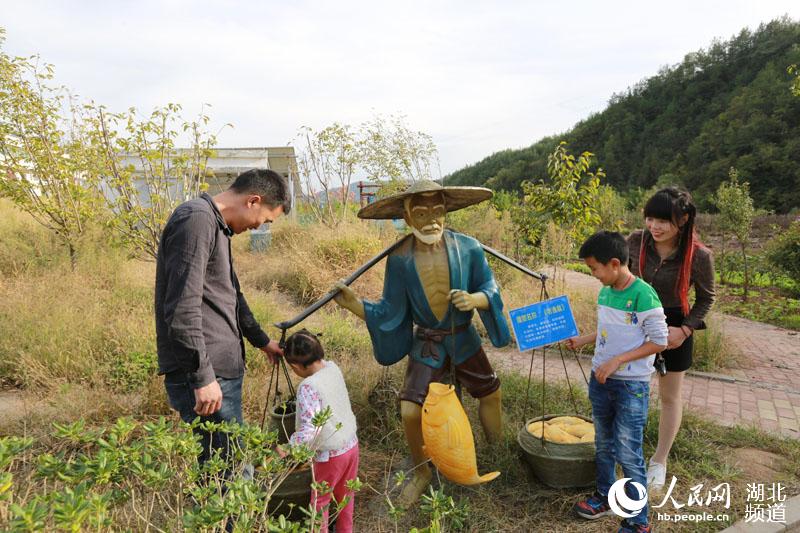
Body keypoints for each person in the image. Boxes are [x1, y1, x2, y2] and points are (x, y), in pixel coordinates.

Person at [334, 180, 510, 505]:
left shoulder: (469, 247)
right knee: (410, 411)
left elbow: (490, 285)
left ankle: (496, 453)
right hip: (427, 341)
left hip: (464, 337)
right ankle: (421, 470)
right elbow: (391, 310)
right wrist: (355, 304)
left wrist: (477, 299)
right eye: (421, 211)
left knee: (491, 393)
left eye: (437, 210)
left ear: (447, 210)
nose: (431, 219)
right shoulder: (400, 259)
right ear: (406, 215)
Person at [155, 168, 290, 468]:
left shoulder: (218, 227)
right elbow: (181, 308)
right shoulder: (196, 220)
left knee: (228, 463)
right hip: (207, 374)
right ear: (253, 201)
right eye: (265, 220)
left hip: (218, 371)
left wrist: (261, 341)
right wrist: (202, 377)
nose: (258, 228)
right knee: (224, 474)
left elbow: (229, 293)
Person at [566, 231, 668, 533]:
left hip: (630, 387)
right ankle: (605, 495)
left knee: (628, 451)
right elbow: (607, 330)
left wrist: (618, 360)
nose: (594, 275)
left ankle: (638, 520)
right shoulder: (605, 292)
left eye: (595, 269)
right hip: (602, 381)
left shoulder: (643, 295)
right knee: (604, 444)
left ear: (614, 263)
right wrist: (584, 340)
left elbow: (660, 342)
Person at [627, 187, 715, 490]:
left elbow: (706, 299)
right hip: (635, 320)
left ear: (684, 218)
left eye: (663, 220)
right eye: (651, 218)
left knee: (669, 397)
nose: (655, 226)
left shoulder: (699, 256)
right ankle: (624, 449)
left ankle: (659, 461)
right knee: (627, 387)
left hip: (675, 324)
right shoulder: (636, 242)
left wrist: (685, 329)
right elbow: (619, 277)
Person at [283, 329, 359, 533]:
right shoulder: (333, 368)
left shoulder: (309, 387)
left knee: (320, 501)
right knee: (346, 495)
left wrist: (290, 448)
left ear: (296, 366)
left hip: (330, 455)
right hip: (351, 445)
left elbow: (311, 429)